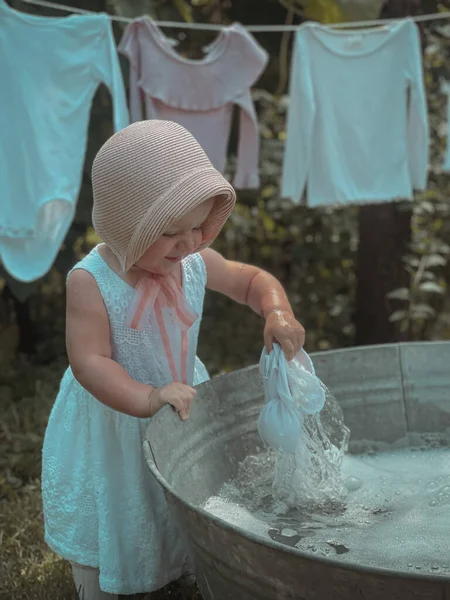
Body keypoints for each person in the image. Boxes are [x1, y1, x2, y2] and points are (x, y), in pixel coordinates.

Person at [41, 120, 305, 600]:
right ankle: (98, 576)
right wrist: (147, 397)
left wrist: (277, 311)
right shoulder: (92, 281)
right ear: (127, 225)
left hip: (179, 399)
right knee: (116, 498)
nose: (190, 243)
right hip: (114, 414)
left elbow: (251, 281)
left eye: (199, 228)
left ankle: (175, 562)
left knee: (176, 495)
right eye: (170, 233)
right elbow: (90, 361)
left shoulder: (192, 261)